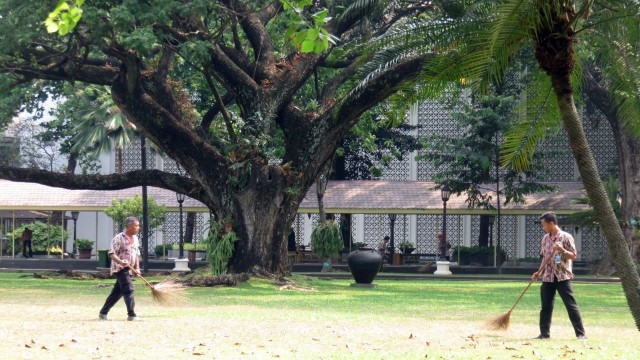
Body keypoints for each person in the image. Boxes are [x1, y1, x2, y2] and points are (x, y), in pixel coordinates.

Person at [532, 212, 586, 340]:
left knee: (570, 305)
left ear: (551, 223)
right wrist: (539, 272)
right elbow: (544, 257)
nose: (543, 227)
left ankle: (581, 334)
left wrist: (562, 250)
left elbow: (573, 256)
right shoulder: (545, 238)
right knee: (546, 306)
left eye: (544, 225)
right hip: (548, 277)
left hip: (562, 277)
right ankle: (544, 334)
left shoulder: (566, 237)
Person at [99, 216, 141, 321]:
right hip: (119, 269)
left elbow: (136, 254)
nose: (138, 228)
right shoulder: (118, 238)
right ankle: (131, 314)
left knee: (117, 292)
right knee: (129, 289)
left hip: (129, 269)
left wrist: (137, 268)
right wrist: (120, 261)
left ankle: (103, 312)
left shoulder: (135, 239)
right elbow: (112, 253)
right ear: (129, 226)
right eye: (136, 225)